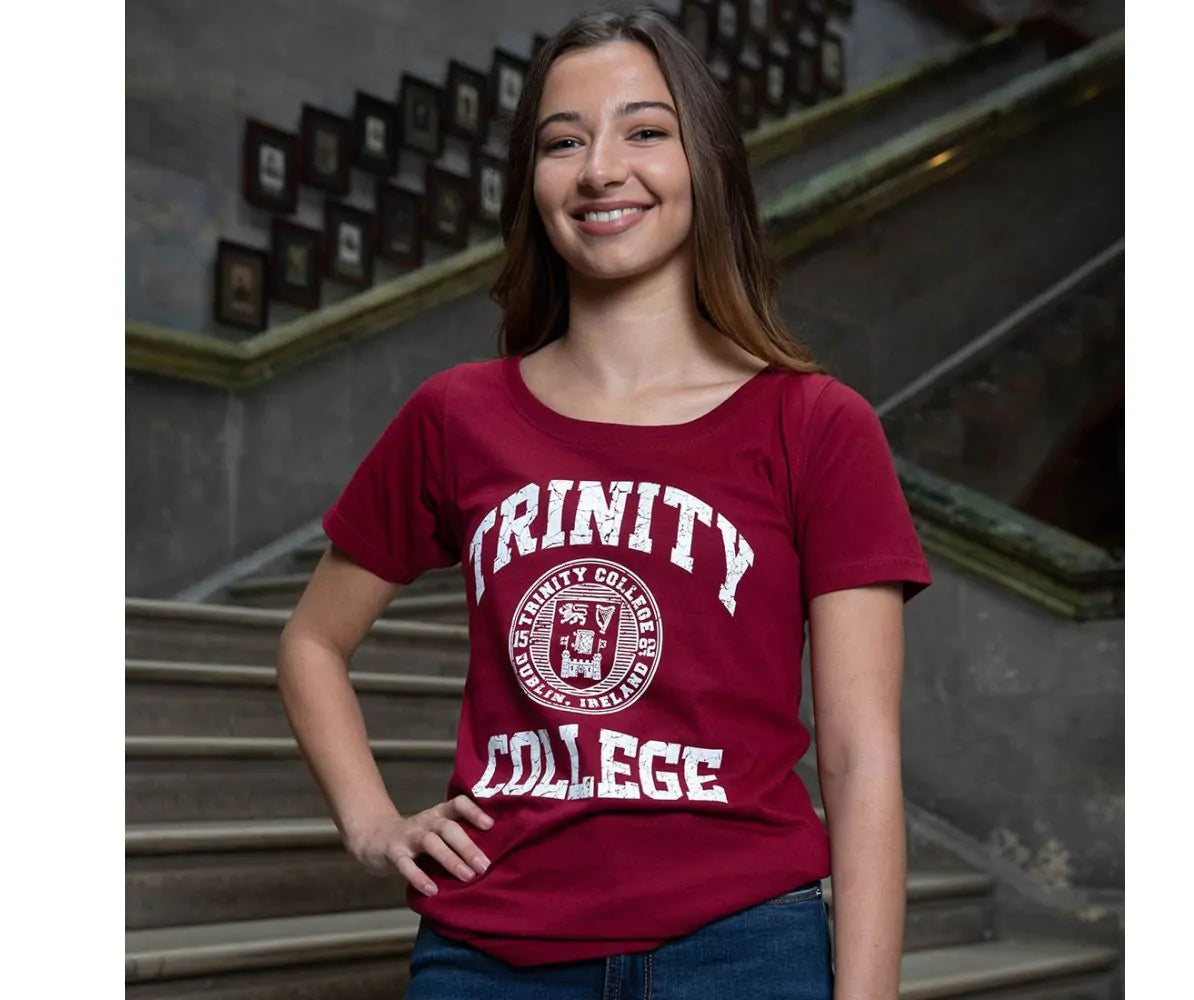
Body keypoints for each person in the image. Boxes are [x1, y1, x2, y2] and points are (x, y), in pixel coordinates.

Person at [276, 7, 930, 999]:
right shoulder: (455, 416)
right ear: (531, 182)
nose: (598, 169)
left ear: (704, 162)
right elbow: (311, 643)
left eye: (643, 130)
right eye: (561, 140)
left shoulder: (817, 424)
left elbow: (858, 755)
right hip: (492, 951)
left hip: (743, 946)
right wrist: (372, 822)